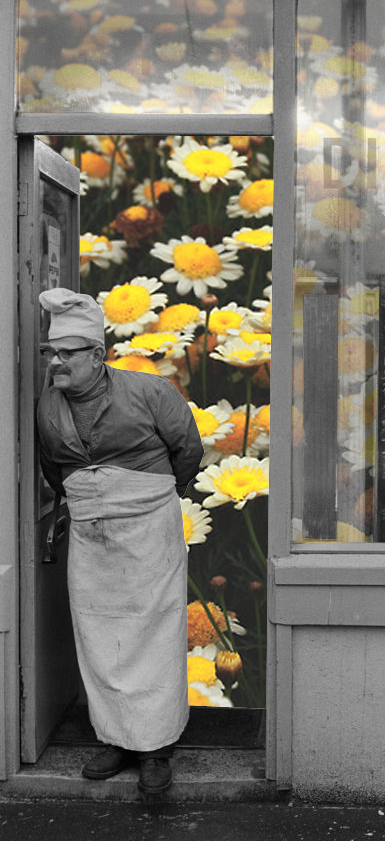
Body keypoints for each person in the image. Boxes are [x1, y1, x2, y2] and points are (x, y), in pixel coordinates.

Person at [36, 287, 204, 795]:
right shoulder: (49, 404)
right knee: (98, 632)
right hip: (90, 531)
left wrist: (149, 496)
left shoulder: (151, 392)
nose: (57, 363)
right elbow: (52, 466)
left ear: (98, 354)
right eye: (52, 353)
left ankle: (155, 748)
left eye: (68, 353)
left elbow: (188, 450)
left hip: (148, 525)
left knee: (154, 627)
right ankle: (116, 738)